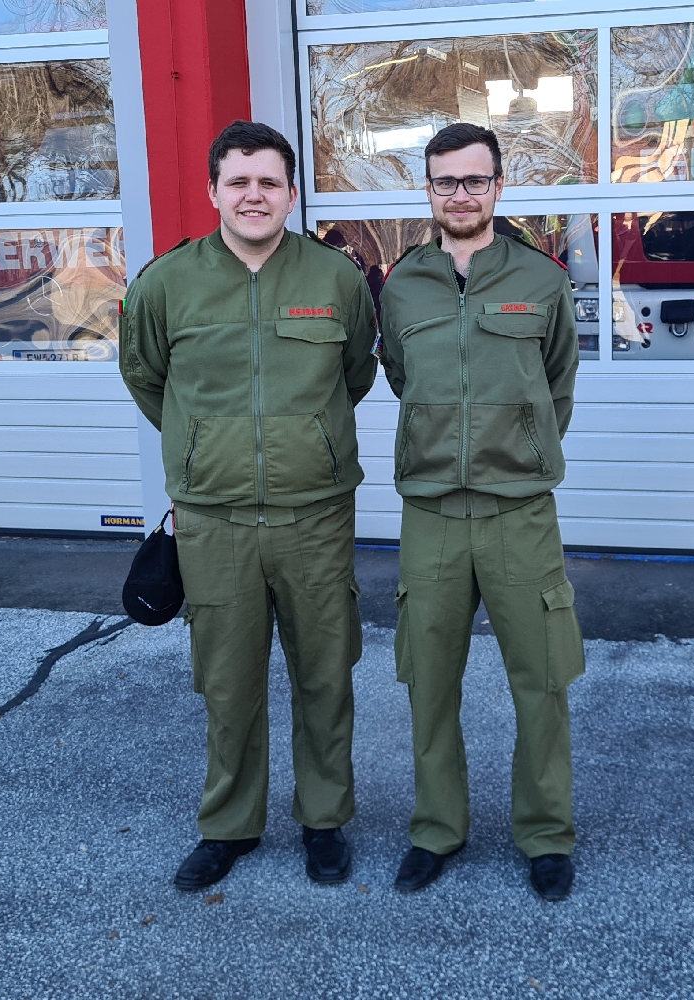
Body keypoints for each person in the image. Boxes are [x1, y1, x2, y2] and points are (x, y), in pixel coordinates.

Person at [119, 121, 378, 891]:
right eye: (238, 181)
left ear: (291, 194)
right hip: (215, 520)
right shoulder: (166, 284)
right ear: (213, 192)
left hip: (314, 516)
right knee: (227, 684)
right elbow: (146, 378)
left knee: (325, 676)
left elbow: (355, 374)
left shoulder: (336, 279)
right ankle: (229, 826)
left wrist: (305, 444)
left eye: (269, 182)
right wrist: (207, 446)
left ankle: (324, 820)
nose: (253, 195)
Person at [376, 123, 584, 902]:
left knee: (543, 680)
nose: (460, 195)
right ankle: (437, 829)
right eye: (445, 182)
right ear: (428, 190)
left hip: (519, 513)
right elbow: (401, 375)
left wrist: (516, 447)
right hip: (431, 514)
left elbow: (557, 386)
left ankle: (546, 834)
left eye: (474, 180)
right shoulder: (402, 286)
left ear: (499, 186)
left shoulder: (542, 280)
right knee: (429, 682)